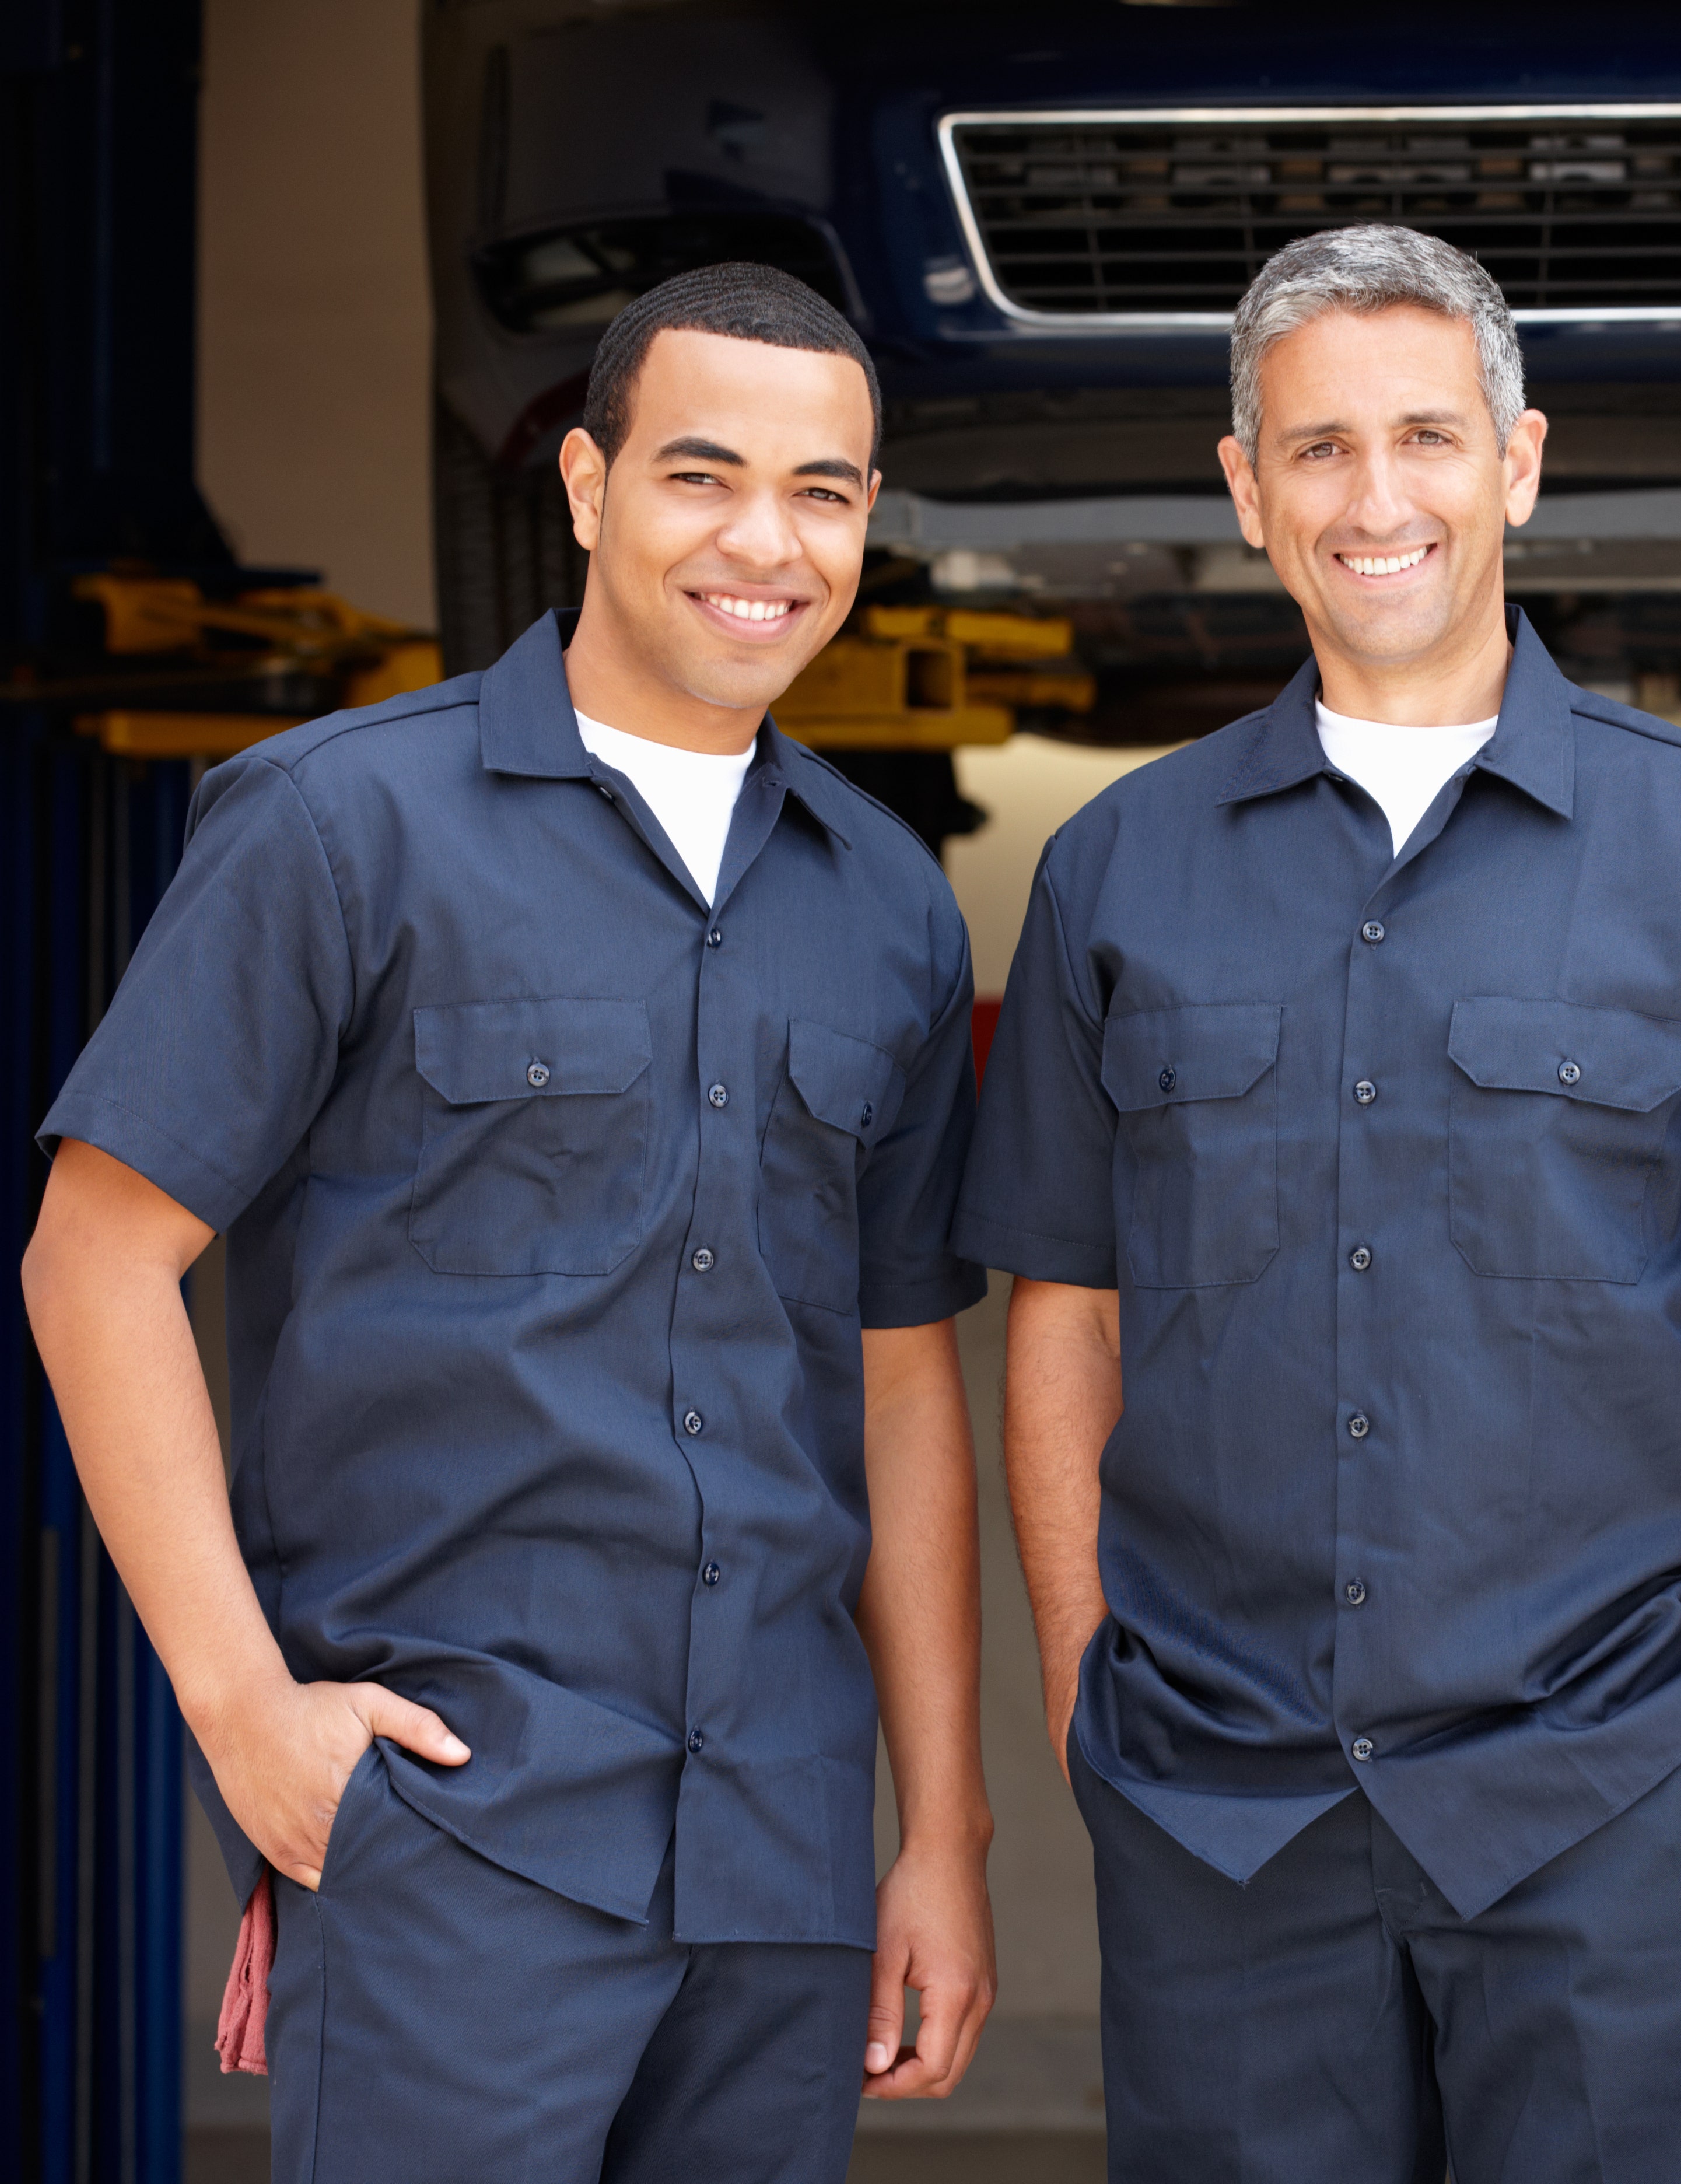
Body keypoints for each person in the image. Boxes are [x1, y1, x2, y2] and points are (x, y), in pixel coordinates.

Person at [21, 263, 997, 2182]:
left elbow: (897, 1387)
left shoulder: (888, 907)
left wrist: (941, 1837)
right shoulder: (337, 828)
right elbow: (94, 1256)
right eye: (702, 476)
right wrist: (246, 1719)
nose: (764, 544)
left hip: (778, 1856)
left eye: (824, 493)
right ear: (584, 485)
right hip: (461, 1830)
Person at [957, 222, 1681, 2180]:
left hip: (1615, 1805)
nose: (1375, 499)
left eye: (1427, 439)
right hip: (1224, 1818)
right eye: (1315, 449)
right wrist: (1079, 1691)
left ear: (1520, 464)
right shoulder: (1116, 871)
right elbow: (1062, 1309)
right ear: (1245, 490)